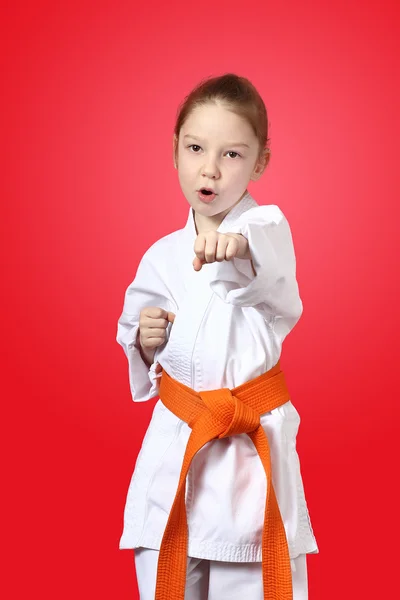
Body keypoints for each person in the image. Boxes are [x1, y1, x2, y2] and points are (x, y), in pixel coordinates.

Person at [116, 73, 319, 600]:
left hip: (247, 456)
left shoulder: (265, 229)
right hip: (177, 447)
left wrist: (238, 249)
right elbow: (137, 345)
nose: (209, 168)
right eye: (196, 148)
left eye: (232, 154)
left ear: (260, 163)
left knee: (251, 574)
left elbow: (268, 273)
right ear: (175, 150)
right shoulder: (161, 255)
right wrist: (146, 340)